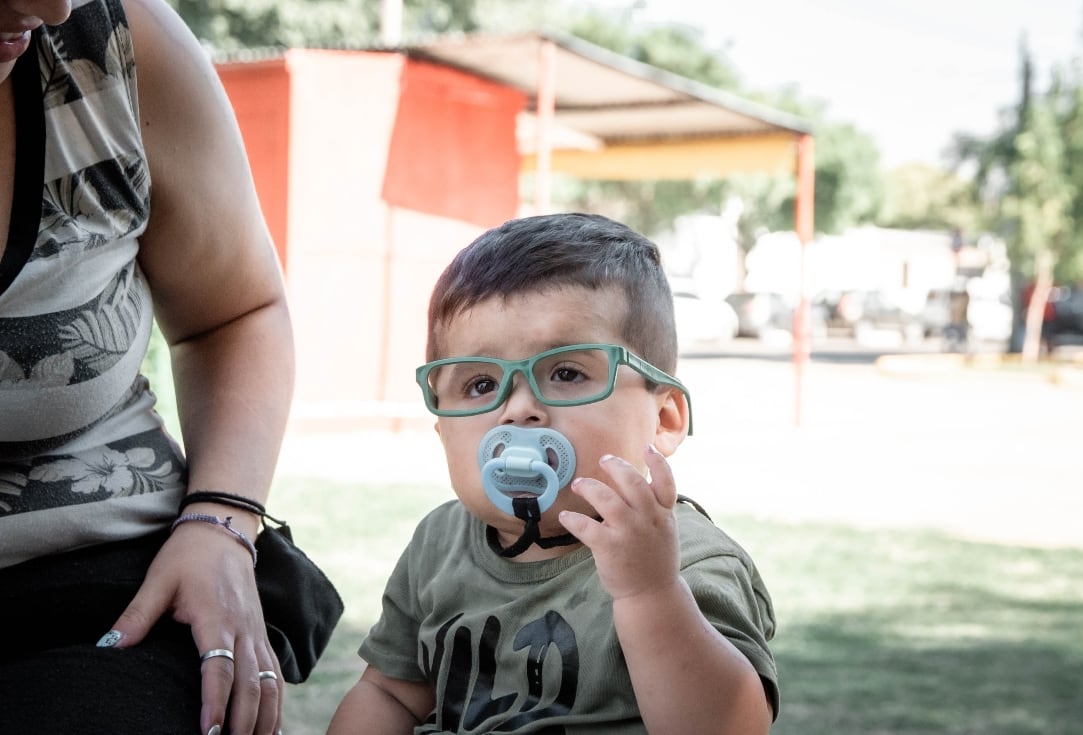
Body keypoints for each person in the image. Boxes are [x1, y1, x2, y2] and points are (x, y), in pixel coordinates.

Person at [327, 213, 778, 734]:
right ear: (440, 428)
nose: (518, 410)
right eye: (478, 384)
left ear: (665, 418)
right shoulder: (439, 544)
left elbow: (730, 729)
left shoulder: (689, 559)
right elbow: (390, 694)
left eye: (566, 373)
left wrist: (650, 592)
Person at [0, 2, 294, 734]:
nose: (52, 6)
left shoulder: (115, 43)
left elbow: (237, 312)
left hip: (101, 582)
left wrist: (221, 524)